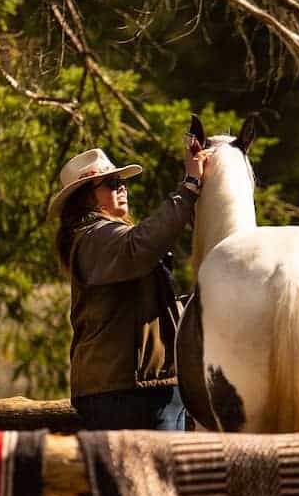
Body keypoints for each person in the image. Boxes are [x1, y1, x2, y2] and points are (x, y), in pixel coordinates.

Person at [49, 137, 209, 430]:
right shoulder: (93, 237)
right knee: (156, 475)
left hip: (136, 387)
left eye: (121, 182)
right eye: (111, 184)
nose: (122, 187)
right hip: (125, 392)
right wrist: (188, 187)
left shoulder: (104, 240)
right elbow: (142, 244)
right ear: (86, 197)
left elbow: (142, 310)